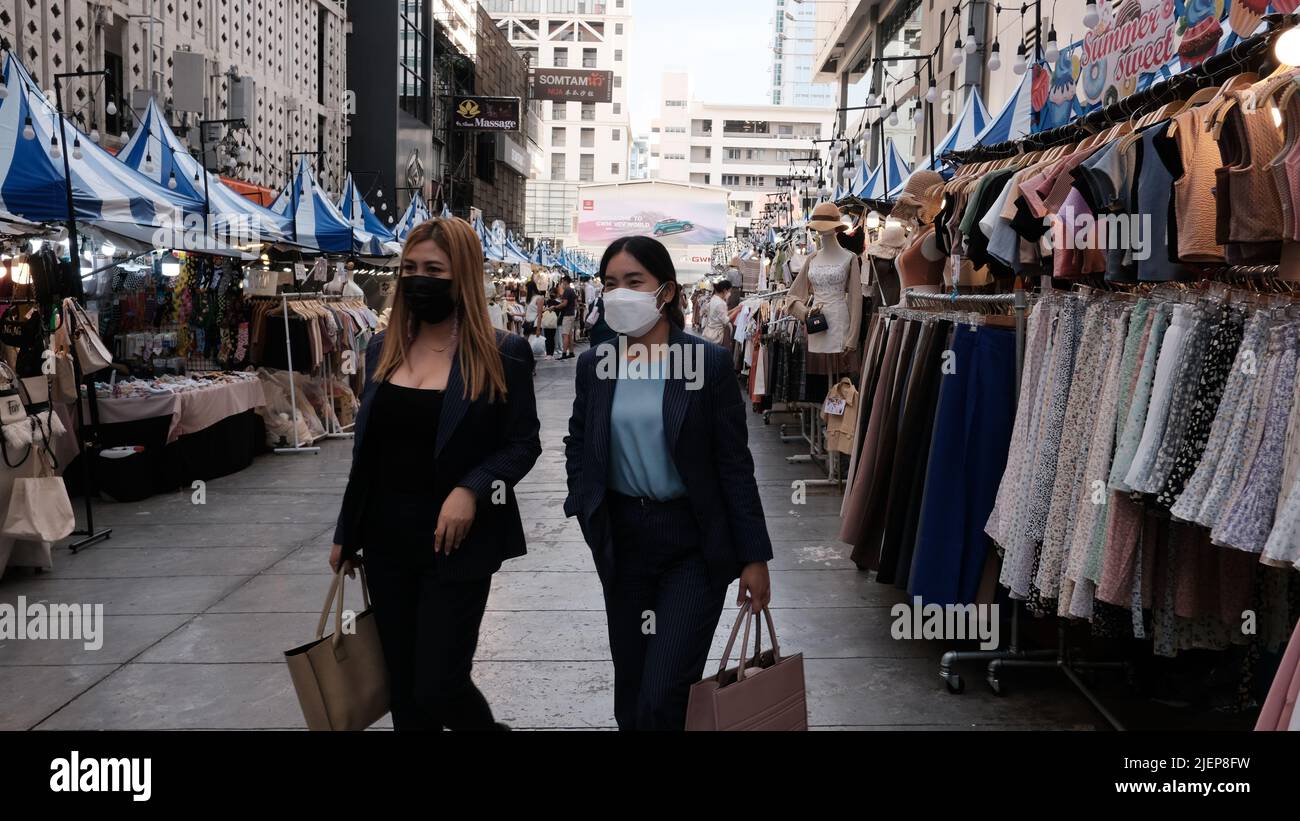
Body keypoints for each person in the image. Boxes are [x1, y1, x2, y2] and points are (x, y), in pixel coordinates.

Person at [329, 216, 542, 732]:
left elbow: (522, 445)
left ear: (462, 275)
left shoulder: (501, 352)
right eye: (409, 268)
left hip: (459, 545)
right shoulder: (383, 348)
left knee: (439, 683)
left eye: (433, 269)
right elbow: (368, 452)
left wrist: (472, 489)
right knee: (404, 687)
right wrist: (346, 532)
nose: (418, 279)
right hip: (386, 541)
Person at [563, 235, 773, 731]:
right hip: (623, 541)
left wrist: (754, 556)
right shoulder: (596, 365)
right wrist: (584, 503)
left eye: (633, 282)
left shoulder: (708, 365)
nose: (619, 294)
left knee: (664, 693)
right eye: (610, 283)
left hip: (692, 545)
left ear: (666, 291)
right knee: (632, 692)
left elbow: (734, 466)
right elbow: (578, 441)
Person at [701, 280, 733, 347]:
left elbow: (723, 314)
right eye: (729, 291)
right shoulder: (721, 303)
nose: (730, 294)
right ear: (725, 290)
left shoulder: (714, 299)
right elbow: (725, 320)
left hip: (710, 331)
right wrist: (738, 310)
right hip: (717, 335)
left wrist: (736, 309)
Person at [558, 274, 578, 359]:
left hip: (567, 315)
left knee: (565, 335)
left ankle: (564, 354)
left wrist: (555, 307)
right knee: (570, 335)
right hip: (572, 314)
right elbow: (576, 303)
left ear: (565, 282)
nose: (562, 284)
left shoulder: (567, 290)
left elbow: (564, 303)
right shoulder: (572, 291)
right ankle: (571, 352)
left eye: (562, 282)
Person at [542, 287, 560, 357]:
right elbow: (558, 314)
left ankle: (548, 353)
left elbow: (543, 310)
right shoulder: (557, 303)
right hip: (553, 322)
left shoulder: (546, 302)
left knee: (547, 338)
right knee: (552, 338)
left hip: (546, 321)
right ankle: (551, 353)